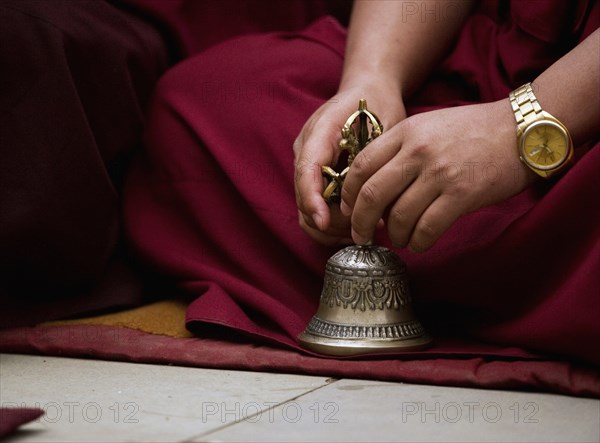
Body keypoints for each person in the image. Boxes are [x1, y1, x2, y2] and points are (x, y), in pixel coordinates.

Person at [123, 0, 600, 365]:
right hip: (470, 73)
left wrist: (517, 127)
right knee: (202, 106)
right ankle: (499, 288)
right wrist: (372, 78)